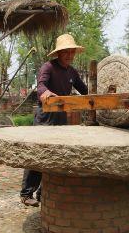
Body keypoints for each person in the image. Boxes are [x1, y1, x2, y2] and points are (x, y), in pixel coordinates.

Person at [20, 33, 88, 207]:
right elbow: (41, 85)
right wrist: (46, 93)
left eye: (72, 52)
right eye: (66, 52)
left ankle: (45, 192)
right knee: (37, 154)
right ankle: (27, 193)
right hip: (45, 117)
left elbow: (85, 90)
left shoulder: (72, 72)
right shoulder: (48, 67)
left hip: (61, 118)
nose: (70, 55)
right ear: (59, 53)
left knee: (55, 155)